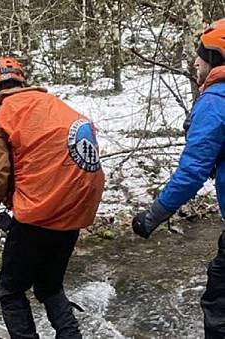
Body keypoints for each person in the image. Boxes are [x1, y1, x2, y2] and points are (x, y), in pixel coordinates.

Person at [0, 57, 105, 338]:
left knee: (10, 291)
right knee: (49, 286)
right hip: (74, 211)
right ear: (23, 82)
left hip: (37, 213)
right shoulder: (54, 105)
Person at [132, 19, 225, 339]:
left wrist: (151, 216)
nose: (196, 61)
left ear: (217, 58)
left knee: (219, 305)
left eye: (201, 54)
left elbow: (191, 173)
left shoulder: (215, 102)